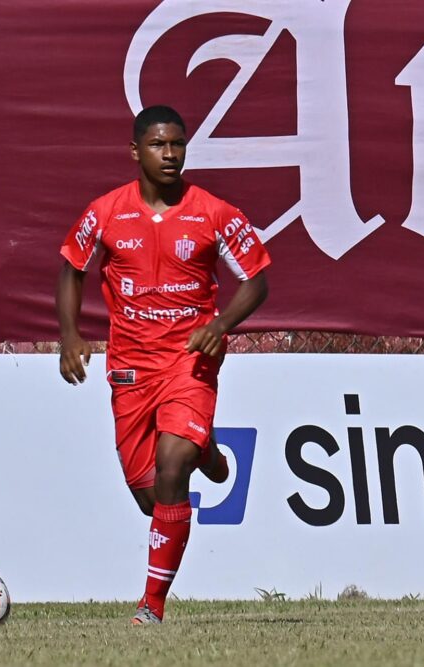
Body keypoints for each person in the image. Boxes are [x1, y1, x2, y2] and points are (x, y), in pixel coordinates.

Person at [56, 105, 271, 625]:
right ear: (136, 151)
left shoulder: (214, 213)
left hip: (189, 360)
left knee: (172, 468)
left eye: (177, 144)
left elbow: (258, 280)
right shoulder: (105, 212)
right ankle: (208, 453)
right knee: (151, 499)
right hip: (130, 368)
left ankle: (150, 607)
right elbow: (71, 268)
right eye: (158, 145)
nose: (170, 154)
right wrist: (69, 336)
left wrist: (219, 326)